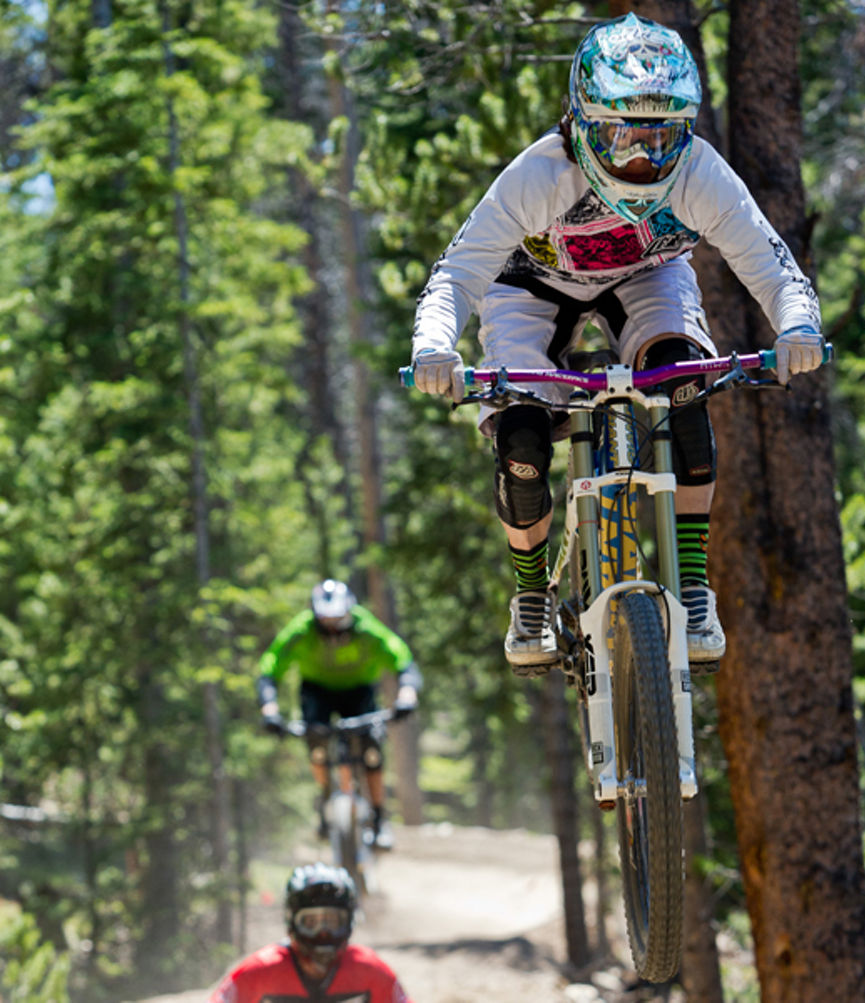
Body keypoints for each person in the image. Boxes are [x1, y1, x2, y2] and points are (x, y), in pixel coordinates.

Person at [409, 13, 823, 675]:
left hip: (645, 276)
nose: (641, 159)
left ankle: (691, 583)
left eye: (661, 137)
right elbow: (458, 272)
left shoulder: (698, 172)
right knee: (520, 435)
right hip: (532, 282)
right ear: (580, 123)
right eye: (622, 136)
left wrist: (796, 326)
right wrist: (434, 345)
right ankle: (530, 591)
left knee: (682, 384)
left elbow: (770, 265)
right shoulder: (538, 174)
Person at [258, 579, 421, 848]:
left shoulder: (365, 627)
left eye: (338, 620)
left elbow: (401, 657)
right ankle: (324, 802)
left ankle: (380, 818)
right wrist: (269, 707)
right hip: (317, 691)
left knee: (371, 750)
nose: (333, 629)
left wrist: (407, 694)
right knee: (317, 744)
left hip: (359, 691)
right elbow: (270, 665)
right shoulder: (302, 629)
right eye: (325, 621)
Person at [209, 861, 412, 1002]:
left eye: (332, 922)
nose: (322, 933)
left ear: (349, 922)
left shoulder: (372, 972)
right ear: (292, 922)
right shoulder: (258, 972)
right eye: (311, 922)